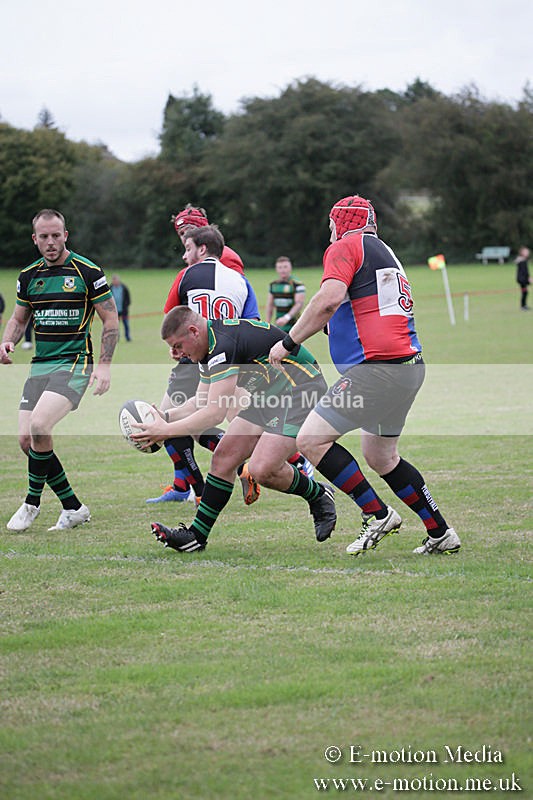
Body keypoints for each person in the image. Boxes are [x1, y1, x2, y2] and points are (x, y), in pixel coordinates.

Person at [269, 194, 460, 556]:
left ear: (342, 223)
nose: (330, 235)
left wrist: (289, 340)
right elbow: (363, 306)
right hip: (408, 368)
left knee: (310, 440)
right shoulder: (383, 251)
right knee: (382, 457)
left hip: (377, 371)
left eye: (331, 227)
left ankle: (378, 514)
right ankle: (440, 532)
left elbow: (328, 299)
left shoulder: (346, 244)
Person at [132, 307, 336, 553]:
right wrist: (163, 417)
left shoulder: (221, 346)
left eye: (177, 345)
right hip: (269, 395)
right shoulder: (208, 347)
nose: (175, 354)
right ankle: (195, 537)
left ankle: (319, 495)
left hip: (301, 389)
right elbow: (200, 401)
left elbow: (214, 413)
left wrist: (165, 431)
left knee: (262, 469)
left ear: (194, 331)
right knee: (224, 457)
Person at [1, 208, 119, 532]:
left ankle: (31, 503)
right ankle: (73, 507)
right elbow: (18, 318)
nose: (51, 242)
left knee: (40, 425)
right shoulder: (28, 276)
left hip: (75, 363)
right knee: (27, 440)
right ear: (35, 239)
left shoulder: (87, 270)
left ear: (65, 235)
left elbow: (110, 319)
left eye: (57, 235)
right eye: (44, 237)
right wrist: (7, 341)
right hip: (41, 366)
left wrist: (105, 366)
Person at [147, 218, 262, 506]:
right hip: (235, 359)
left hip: (199, 355)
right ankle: (247, 467)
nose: (184, 255)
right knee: (226, 421)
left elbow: (171, 317)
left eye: (187, 247)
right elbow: (253, 323)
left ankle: (198, 490)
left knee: (169, 419)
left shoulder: (187, 275)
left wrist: (177, 345)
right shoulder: (240, 278)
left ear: (201, 249)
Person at [265, 256, 306, 332]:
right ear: (276, 269)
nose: (282, 270)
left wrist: (287, 317)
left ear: (290, 268)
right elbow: (270, 305)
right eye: (280, 267)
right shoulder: (273, 285)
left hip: (294, 325)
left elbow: (299, 304)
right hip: (279, 325)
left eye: (285, 267)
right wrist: (267, 324)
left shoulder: (297, 284)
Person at [110, 274, 132, 339]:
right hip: (114, 311)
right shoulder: (110, 288)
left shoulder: (124, 287)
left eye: (116, 280)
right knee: (116, 325)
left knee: (126, 324)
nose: (115, 282)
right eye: (114, 280)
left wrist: (126, 306)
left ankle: (127, 337)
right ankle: (117, 337)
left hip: (124, 310)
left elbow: (128, 298)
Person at [515, 246, 530, 310]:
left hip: (523, 279)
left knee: (525, 292)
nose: (528, 253)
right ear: (522, 253)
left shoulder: (522, 260)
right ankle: (523, 306)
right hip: (522, 280)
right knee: (524, 292)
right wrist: (528, 278)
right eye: (526, 252)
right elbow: (524, 271)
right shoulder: (522, 261)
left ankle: (524, 305)